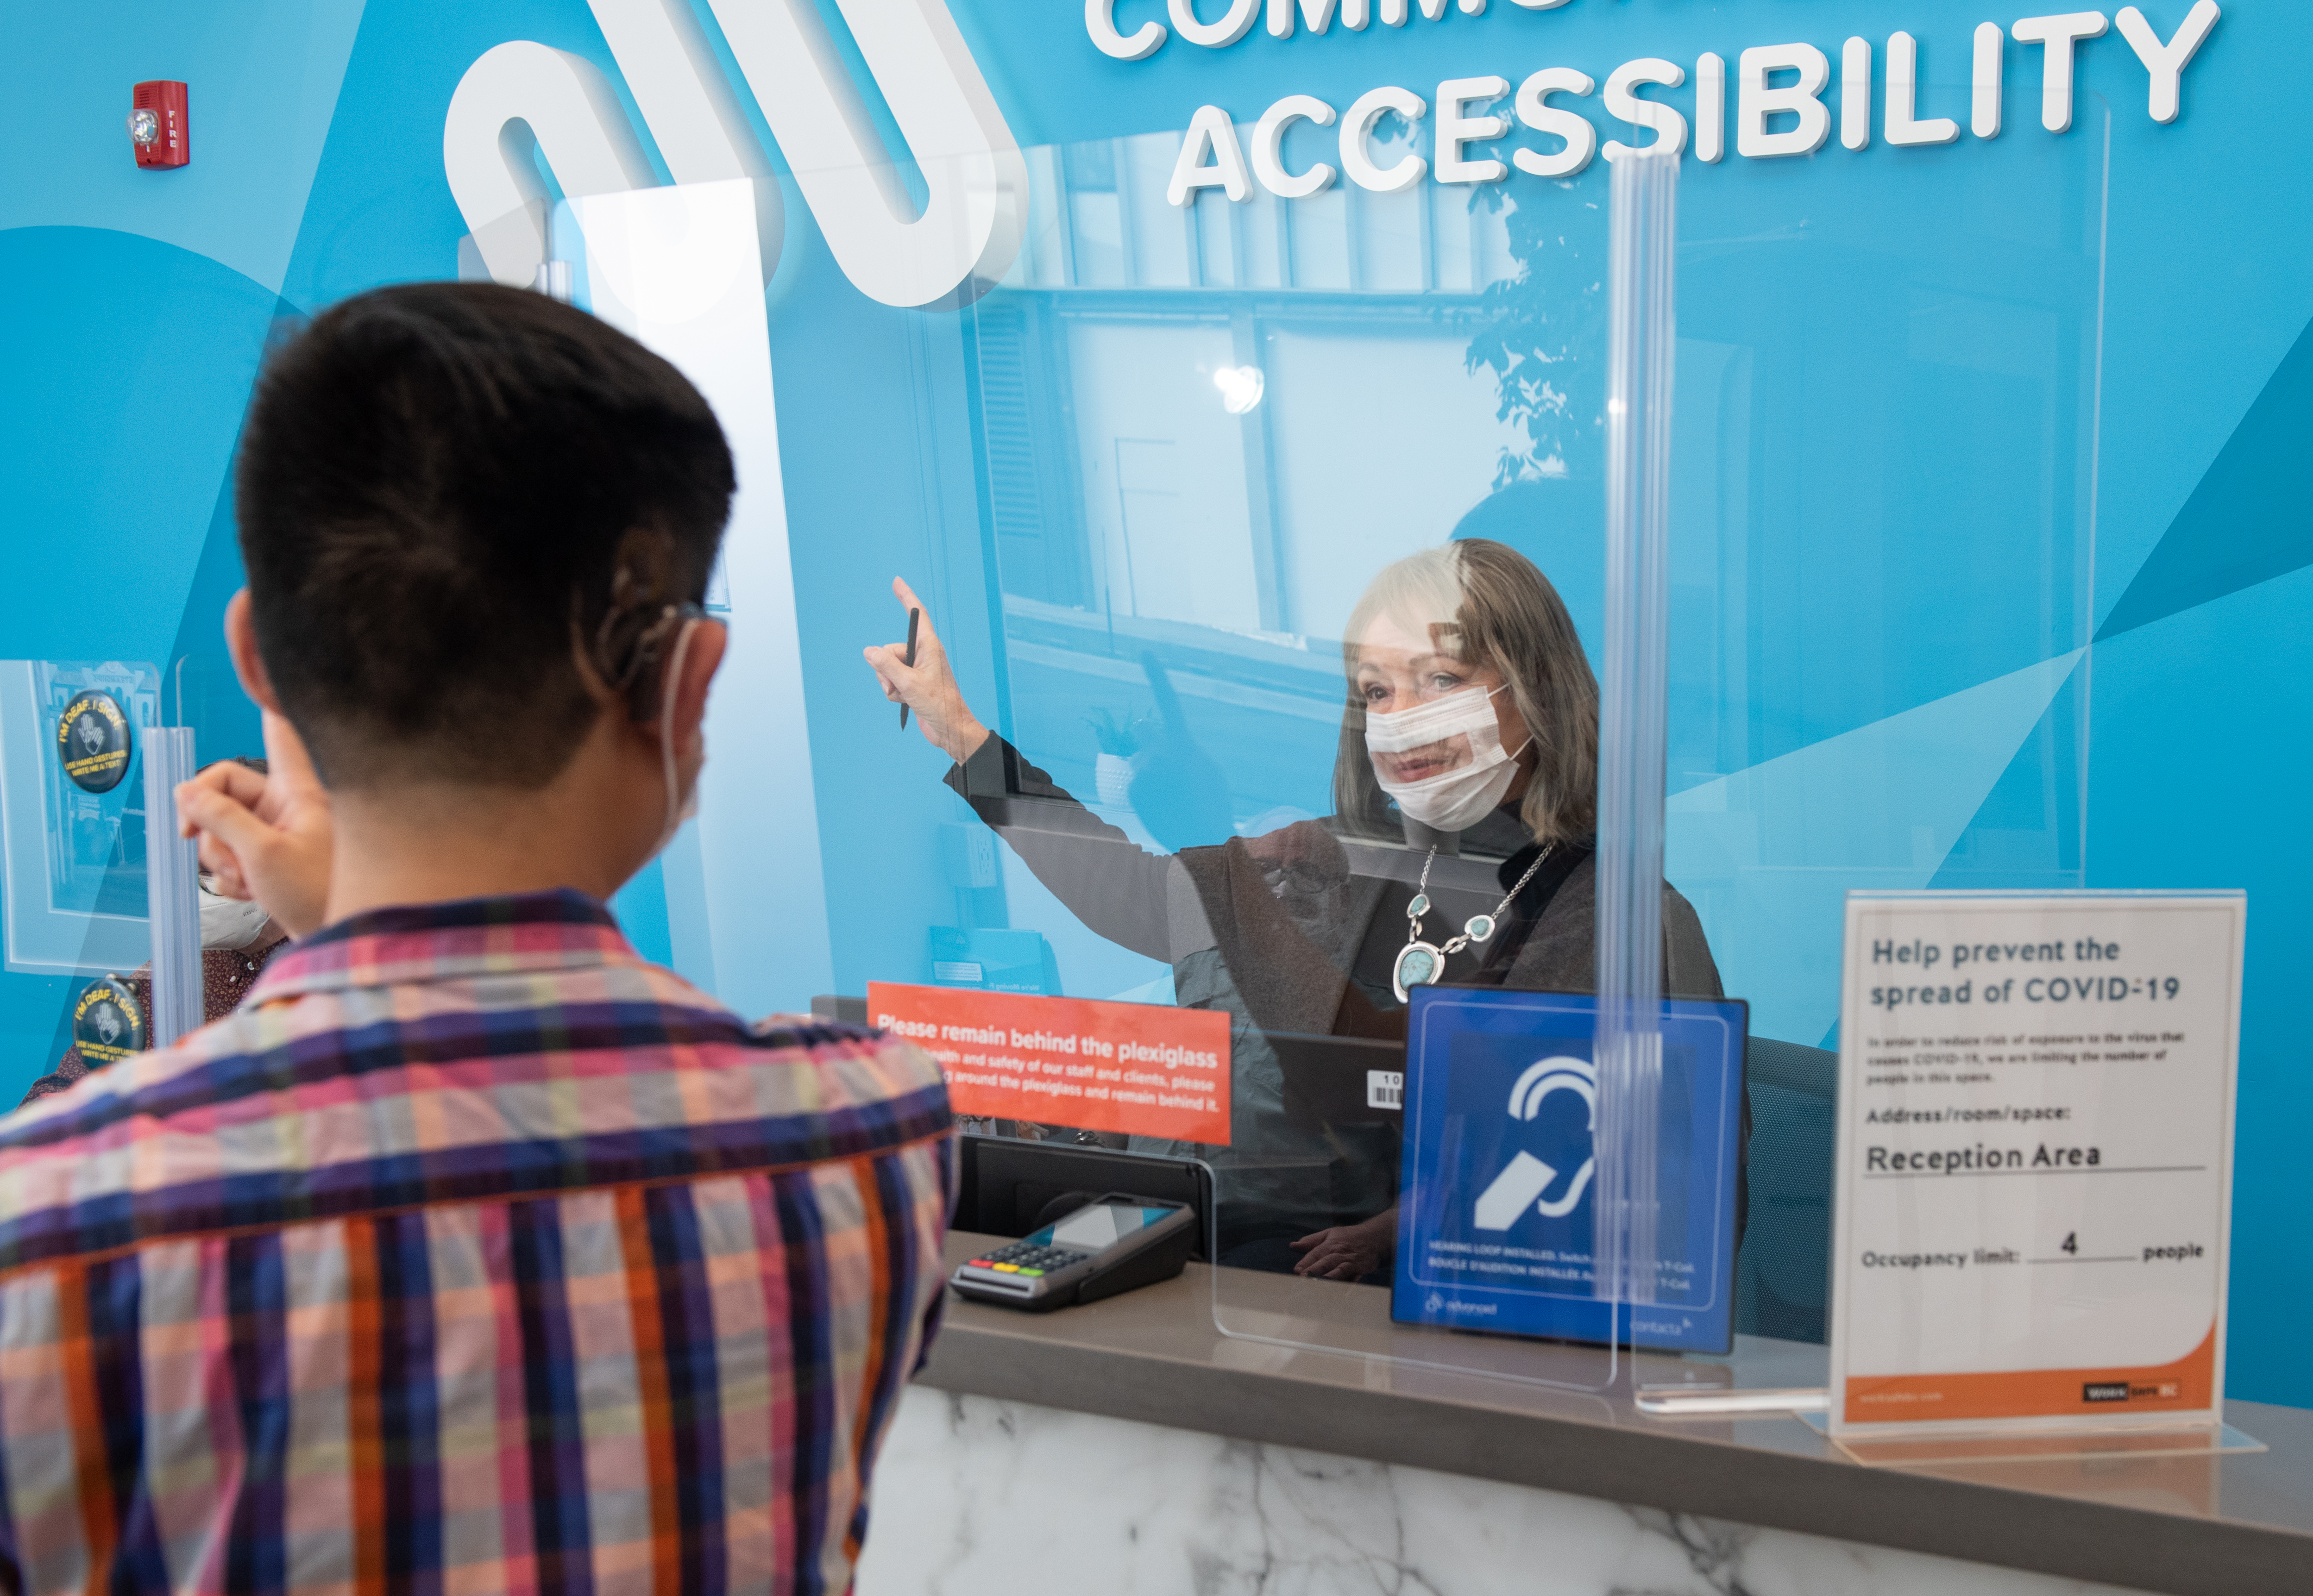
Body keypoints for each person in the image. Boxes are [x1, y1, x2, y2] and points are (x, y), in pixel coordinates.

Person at [0, 282, 951, 1593]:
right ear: (689, 683)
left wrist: (335, 927)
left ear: (260, 662)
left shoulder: (50, 1233)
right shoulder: (865, 1140)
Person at [866, 539, 1722, 1280]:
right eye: (1376, 692)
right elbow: (1135, 897)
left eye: (1440, 677)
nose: (1400, 717)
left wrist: (1220, 857)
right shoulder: (1340, 855)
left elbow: (1369, 1084)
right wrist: (961, 734)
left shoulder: (1611, 916)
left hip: (1435, 1332)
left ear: (1532, 686)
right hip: (1249, 1277)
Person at [24, 757, 292, 1104]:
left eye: (214, 864)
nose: (194, 887)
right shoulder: (171, 973)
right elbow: (60, 1089)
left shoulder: (315, 980)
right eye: (185, 865)